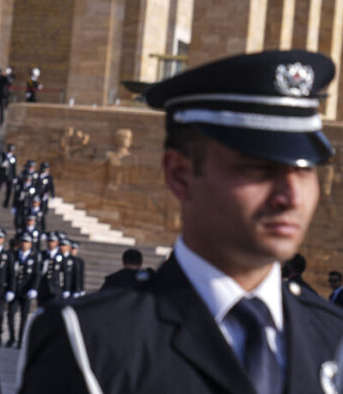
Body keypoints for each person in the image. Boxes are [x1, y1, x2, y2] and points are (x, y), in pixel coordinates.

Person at [20, 50, 343, 393]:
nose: (291, 196)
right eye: (259, 168)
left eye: (304, 170)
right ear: (180, 175)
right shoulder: (92, 342)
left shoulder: (332, 339)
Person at [6, 235, 39, 348]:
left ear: (30, 244)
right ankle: (11, 337)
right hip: (14, 291)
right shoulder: (13, 255)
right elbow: (10, 273)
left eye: (27, 242)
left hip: (26, 291)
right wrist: (10, 289)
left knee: (24, 316)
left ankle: (20, 340)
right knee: (11, 314)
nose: (24, 244)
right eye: (23, 242)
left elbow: (36, 274)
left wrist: (34, 288)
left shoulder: (34, 257)